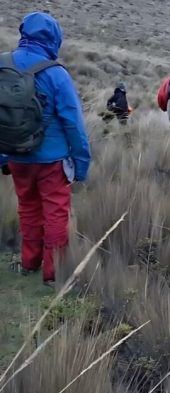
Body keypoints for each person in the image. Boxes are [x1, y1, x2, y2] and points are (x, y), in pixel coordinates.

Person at [0, 12, 91, 286]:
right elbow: (73, 123)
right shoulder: (55, 72)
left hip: (16, 155)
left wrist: (3, 155)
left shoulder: (2, 65)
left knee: (27, 208)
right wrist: (82, 165)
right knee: (55, 213)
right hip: (52, 160)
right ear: (54, 38)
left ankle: (29, 263)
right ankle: (53, 274)